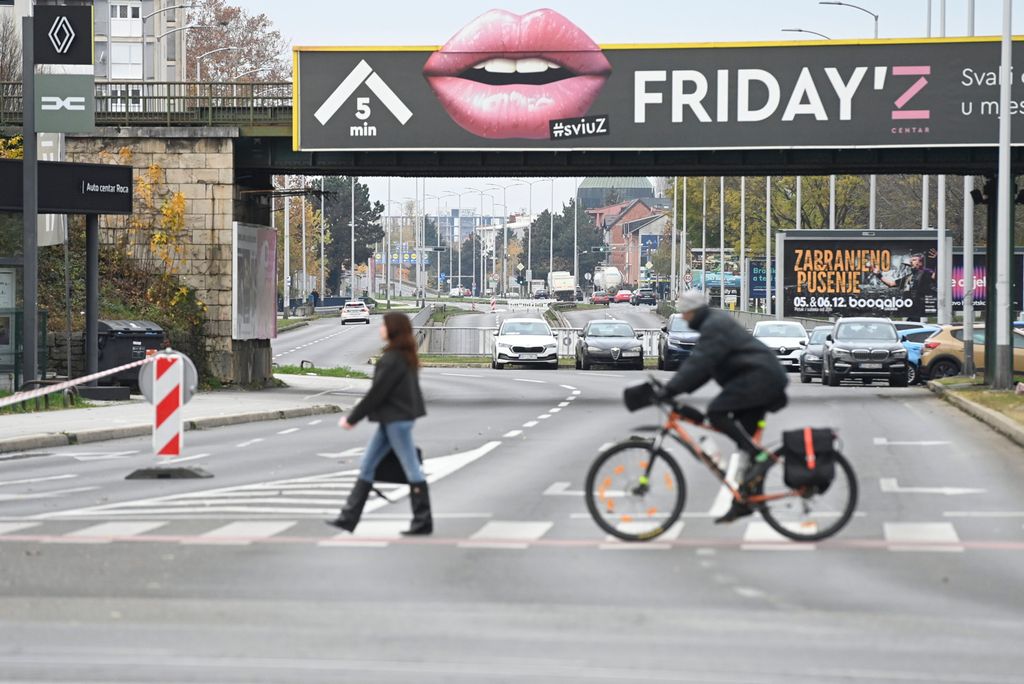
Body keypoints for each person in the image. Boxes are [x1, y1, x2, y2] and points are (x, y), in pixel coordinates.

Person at [654, 289, 789, 524]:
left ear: (695, 311)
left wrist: (670, 390)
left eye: (685, 314)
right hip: (758, 378)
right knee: (744, 444)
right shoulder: (713, 323)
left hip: (759, 379)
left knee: (717, 413)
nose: (683, 318)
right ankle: (744, 500)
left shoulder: (714, 326)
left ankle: (757, 457)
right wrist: (676, 388)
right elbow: (704, 370)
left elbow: (700, 363)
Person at [327, 313, 431, 535]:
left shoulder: (392, 359)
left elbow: (377, 393)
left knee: (412, 468)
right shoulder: (404, 356)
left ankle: (423, 521)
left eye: (384, 325)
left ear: (392, 329)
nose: (380, 329)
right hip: (394, 418)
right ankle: (348, 518)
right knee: (367, 463)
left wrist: (352, 419)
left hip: (396, 420)